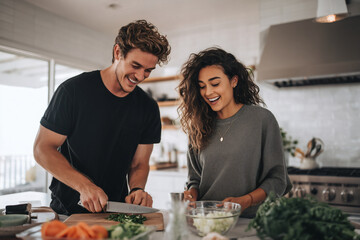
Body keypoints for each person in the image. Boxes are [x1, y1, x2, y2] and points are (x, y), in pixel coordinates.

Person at [33, 20, 171, 215]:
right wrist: (84, 186)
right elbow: (42, 149)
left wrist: (138, 189)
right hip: (68, 211)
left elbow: (139, 163)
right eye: (135, 65)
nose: (140, 76)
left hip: (116, 211)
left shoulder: (148, 107)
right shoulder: (73, 91)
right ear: (117, 53)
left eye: (148, 70)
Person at [178, 47, 291, 218]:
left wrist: (247, 200)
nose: (208, 92)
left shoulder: (262, 120)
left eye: (215, 84)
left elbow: (278, 180)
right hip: (206, 220)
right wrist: (190, 195)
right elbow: (194, 179)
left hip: (252, 222)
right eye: (202, 86)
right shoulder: (198, 126)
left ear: (234, 81)